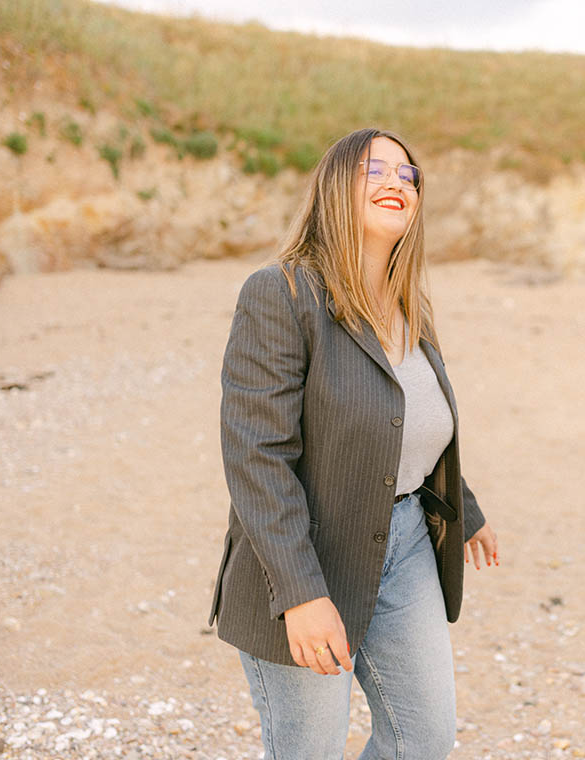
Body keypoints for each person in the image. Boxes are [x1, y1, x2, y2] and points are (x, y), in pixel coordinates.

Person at [208, 127, 499, 759]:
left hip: (409, 543)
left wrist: (465, 509)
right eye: (376, 170)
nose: (397, 181)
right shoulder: (282, 293)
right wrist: (302, 594)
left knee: (422, 739)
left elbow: (411, 421)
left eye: (408, 174)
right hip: (306, 552)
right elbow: (256, 456)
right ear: (335, 186)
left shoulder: (409, 305)